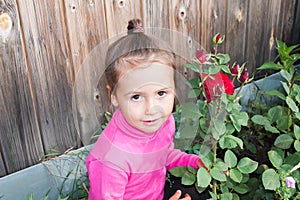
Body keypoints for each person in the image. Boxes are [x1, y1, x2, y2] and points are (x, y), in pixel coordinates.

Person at [86, 19, 207, 200]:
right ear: (113, 96)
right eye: (136, 97)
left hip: (155, 194)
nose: (151, 109)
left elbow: (163, 155)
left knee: (202, 190)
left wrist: (194, 163)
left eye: (161, 93)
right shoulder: (111, 160)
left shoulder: (163, 122)